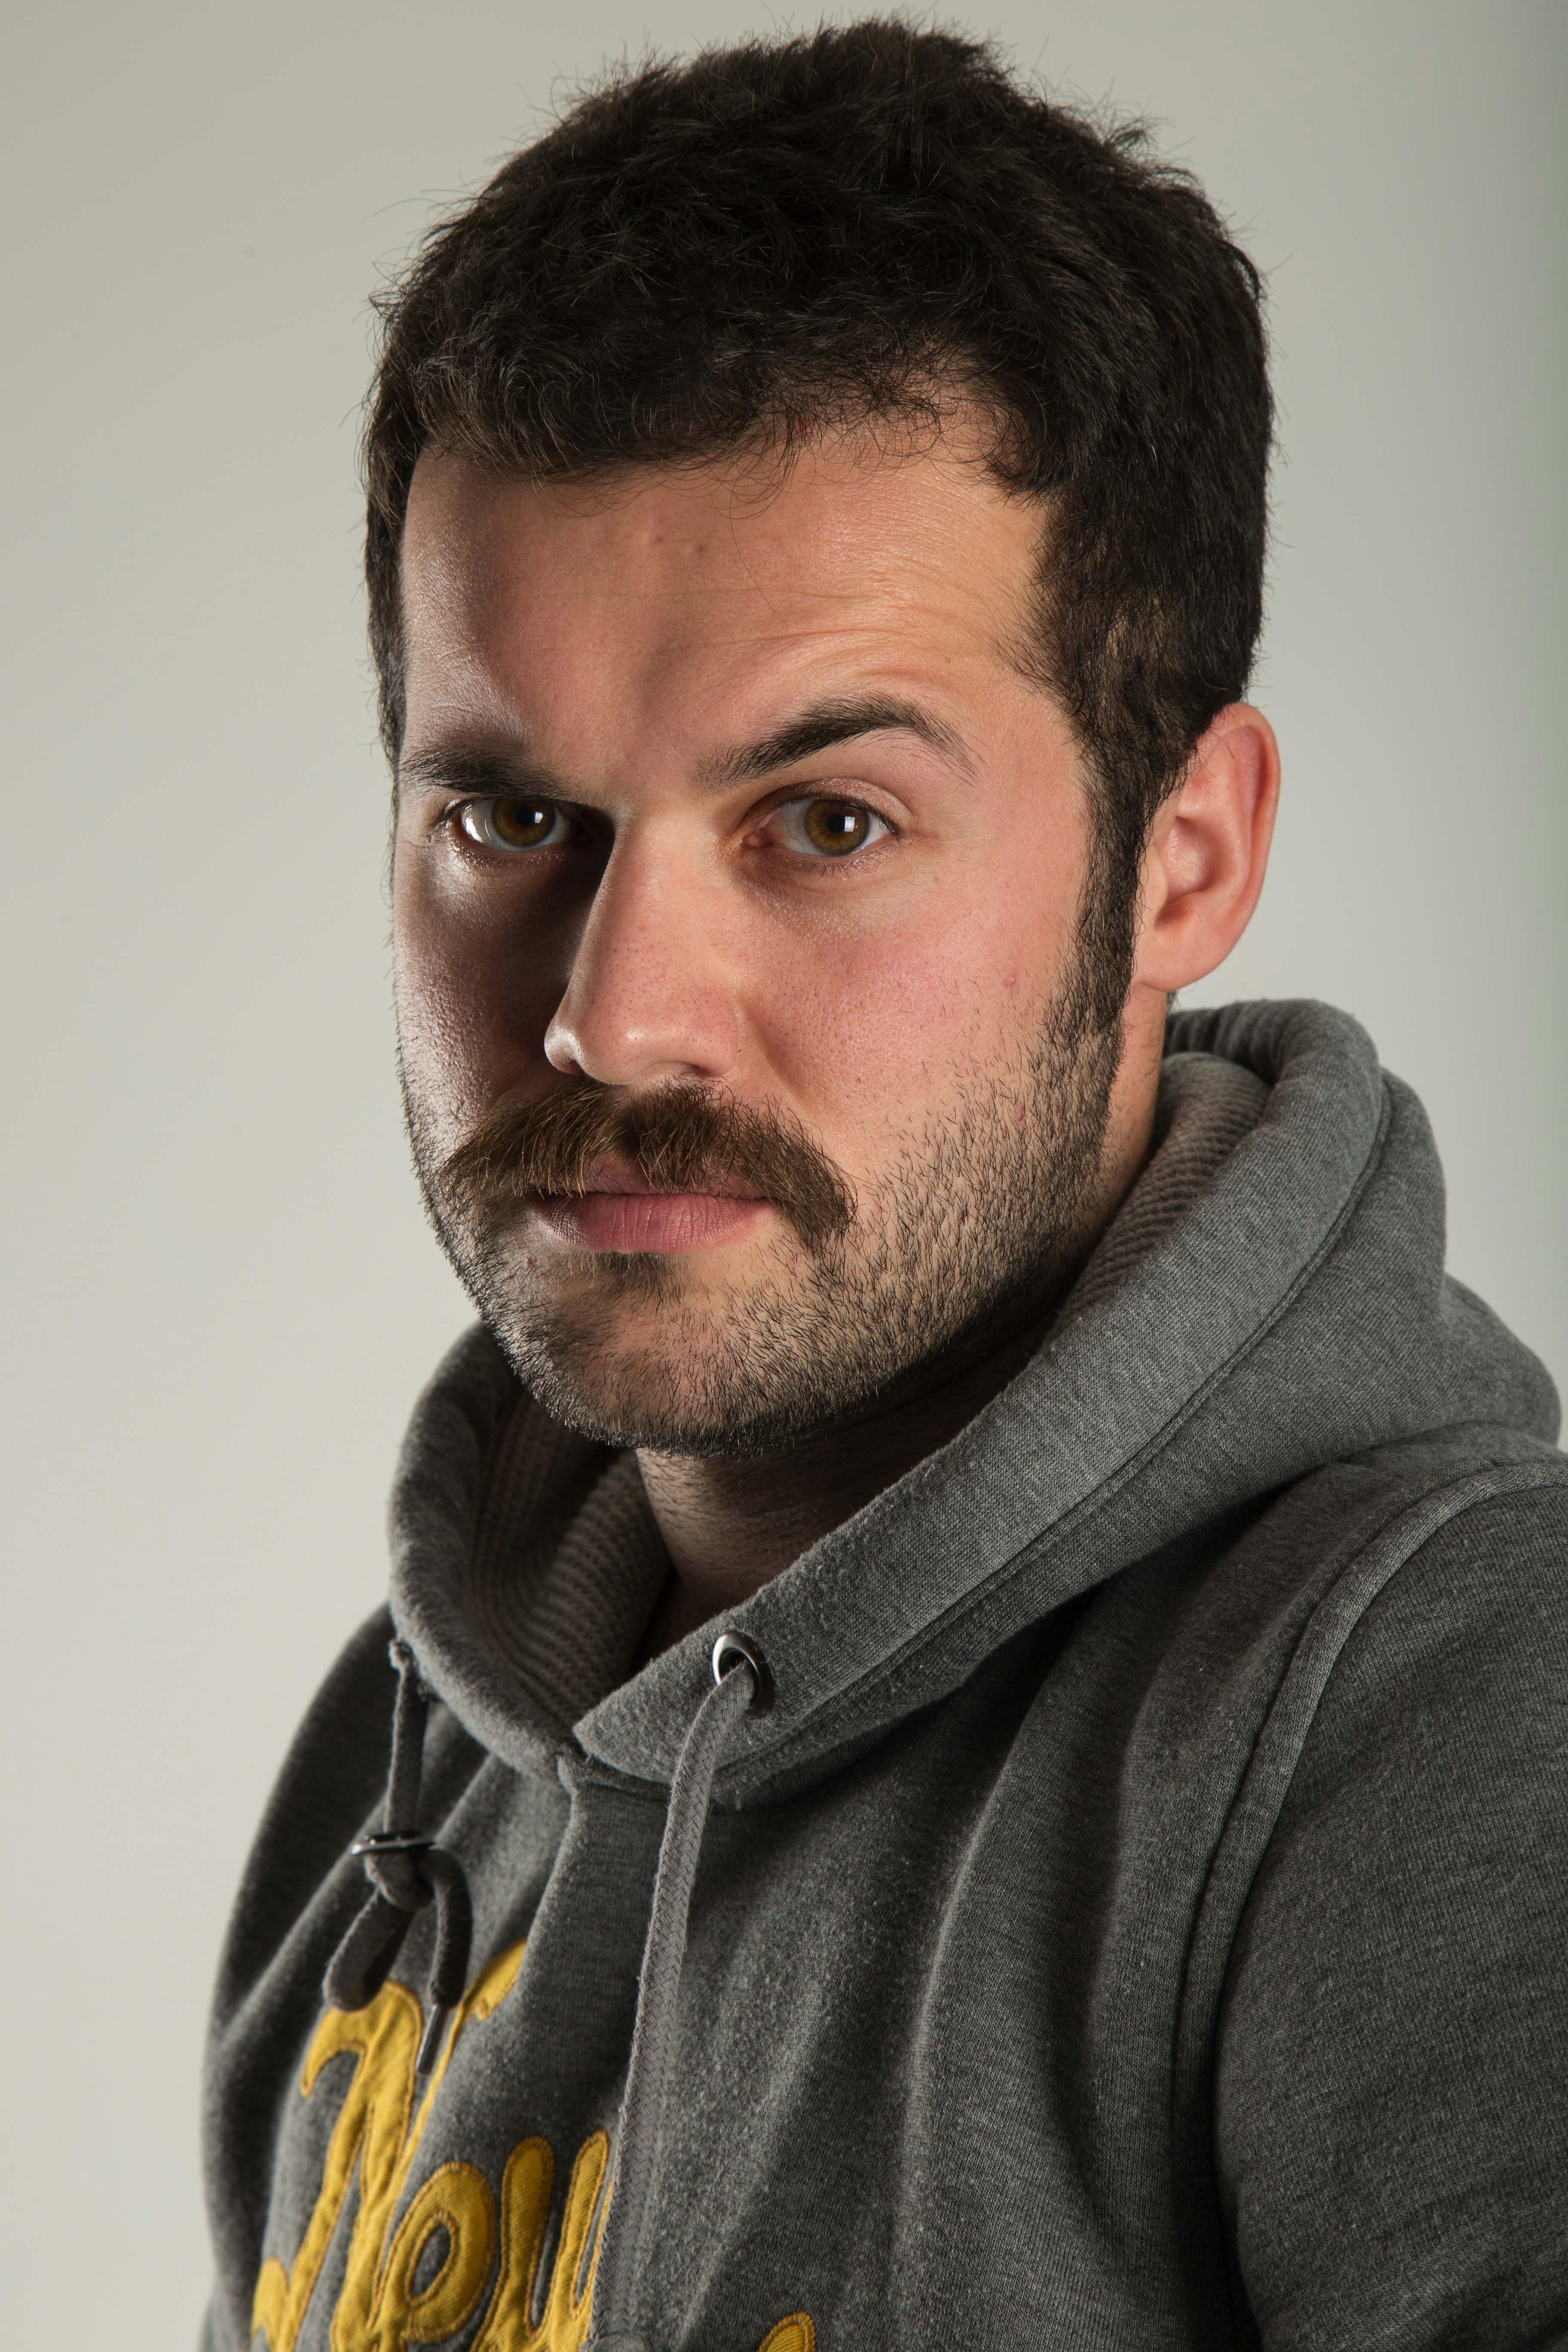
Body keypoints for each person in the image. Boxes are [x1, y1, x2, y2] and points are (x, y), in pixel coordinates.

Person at [201, 22, 1567, 2351]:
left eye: (826, 823)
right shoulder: (399, 1761)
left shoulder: (1458, 1716)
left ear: (1187, 856)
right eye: (510, 819)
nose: (614, 1021)